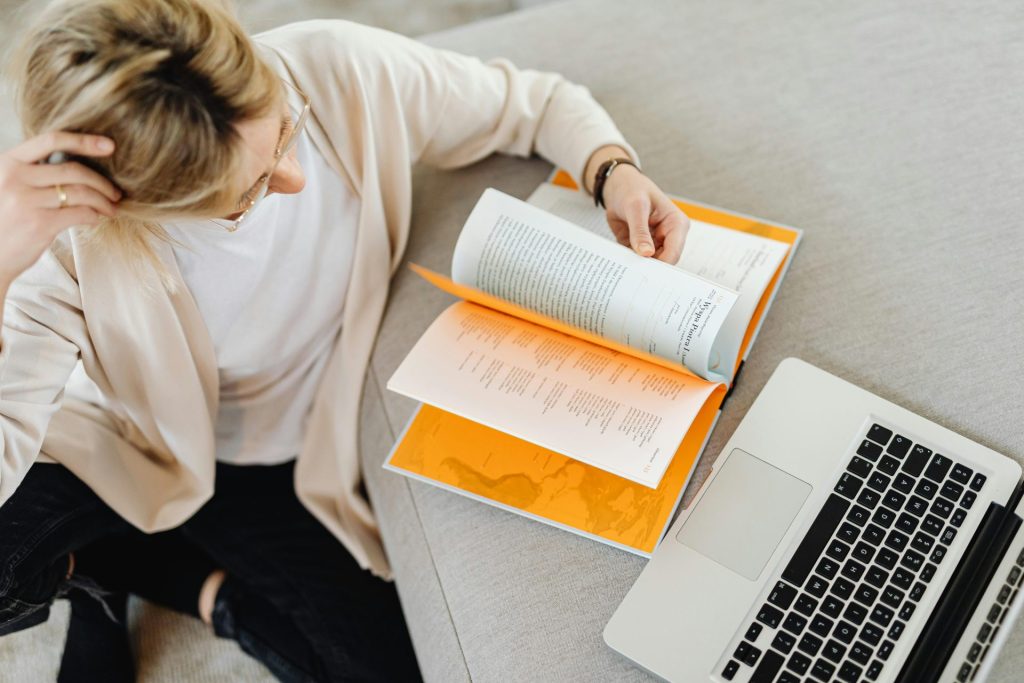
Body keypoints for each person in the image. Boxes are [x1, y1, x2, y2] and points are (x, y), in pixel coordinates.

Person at [0, 0, 691, 680]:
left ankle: (166, 578)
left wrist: (611, 171)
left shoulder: (337, 67)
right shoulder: (68, 250)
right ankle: (95, 569)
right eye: (248, 196)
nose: (296, 178)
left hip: (269, 458)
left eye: (285, 132)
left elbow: (530, 104)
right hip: (129, 442)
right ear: (137, 207)